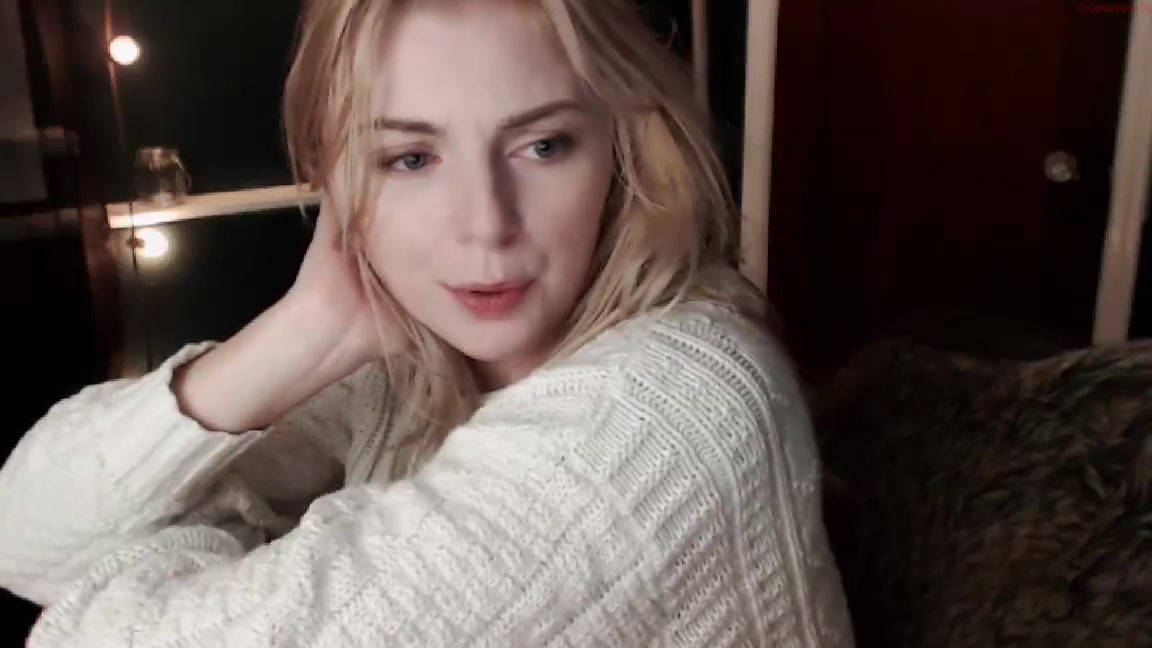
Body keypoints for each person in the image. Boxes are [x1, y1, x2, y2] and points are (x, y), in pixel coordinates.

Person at [0, 0, 855, 645]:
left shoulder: (669, 411)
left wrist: (202, 548)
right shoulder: (404, 365)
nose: (485, 226)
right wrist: (307, 331)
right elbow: (20, 537)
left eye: (543, 145)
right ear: (335, 179)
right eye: (409, 158)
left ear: (624, 148)